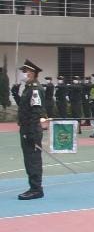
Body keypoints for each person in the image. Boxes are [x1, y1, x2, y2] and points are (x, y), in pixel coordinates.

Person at [15, 60, 49, 200]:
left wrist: (31, 132)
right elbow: (25, 107)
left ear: (32, 73)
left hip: (31, 129)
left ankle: (36, 189)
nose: (23, 73)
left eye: (25, 71)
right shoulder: (28, 88)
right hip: (26, 128)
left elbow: (37, 111)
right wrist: (15, 94)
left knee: (33, 159)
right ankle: (33, 187)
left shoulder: (35, 88)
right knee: (29, 159)